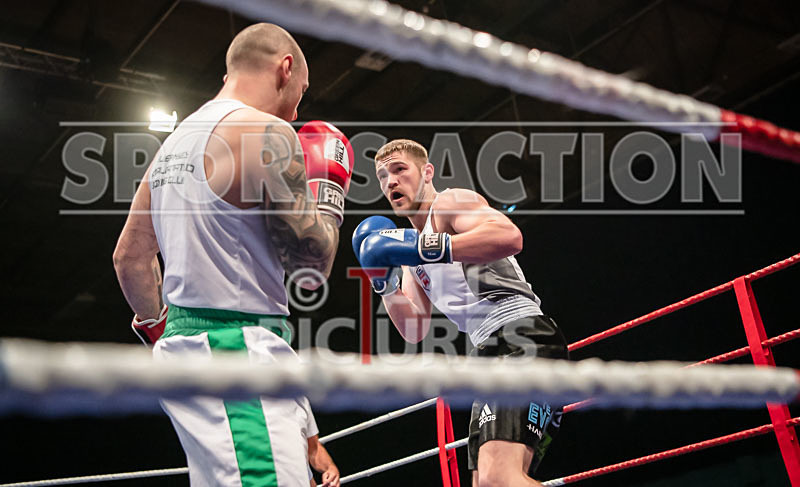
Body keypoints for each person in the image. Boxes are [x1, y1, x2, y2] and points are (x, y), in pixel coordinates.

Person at [114, 23, 349, 486]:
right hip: (237, 356)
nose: (298, 109)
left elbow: (130, 258)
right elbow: (311, 264)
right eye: (300, 91)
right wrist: (329, 195)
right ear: (285, 69)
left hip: (194, 357)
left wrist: (168, 334)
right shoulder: (267, 131)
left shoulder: (171, 147)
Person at [351, 139, 569, 486]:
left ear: (426, 172)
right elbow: (413, 328)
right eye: (381, 176)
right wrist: (384, 284)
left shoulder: (450, 203)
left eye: (399, 170)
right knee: (486, 483)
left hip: (522, 334)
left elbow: (509, 235)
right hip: (486, 353)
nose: (390, 181)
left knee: (500, 478)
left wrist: (431, 246)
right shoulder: (409, 252)